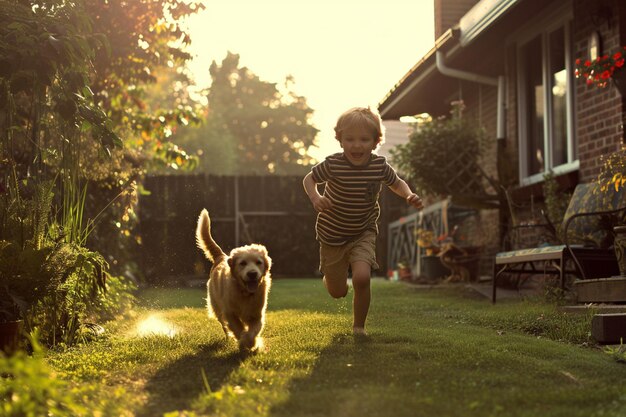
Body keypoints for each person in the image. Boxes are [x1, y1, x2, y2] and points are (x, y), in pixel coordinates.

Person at [302, 106, 423, 336]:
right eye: (350, 139)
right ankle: (331, 280)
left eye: (364, 139)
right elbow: (309, 179)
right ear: (340, 140)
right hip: (332, 234)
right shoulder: (333, 164)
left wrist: (408, 195)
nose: (356, 145)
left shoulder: (379, 166)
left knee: (362, 277)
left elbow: (396, 182)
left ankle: (359, 326)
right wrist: (316, 197)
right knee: (338, 292)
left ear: (376, 141)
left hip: (363, 232)